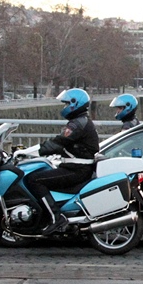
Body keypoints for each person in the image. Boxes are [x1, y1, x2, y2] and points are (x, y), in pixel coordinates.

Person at [24, 88, 100, 235]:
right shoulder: (81, 121)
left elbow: (58, 143)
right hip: (78, 168)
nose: (64, 108)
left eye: (66, 104)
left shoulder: (76, 124)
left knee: (34, 179)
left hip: (77, 170)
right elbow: (66, 146)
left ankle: (56, 218)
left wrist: (28, 152)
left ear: (74, 104)